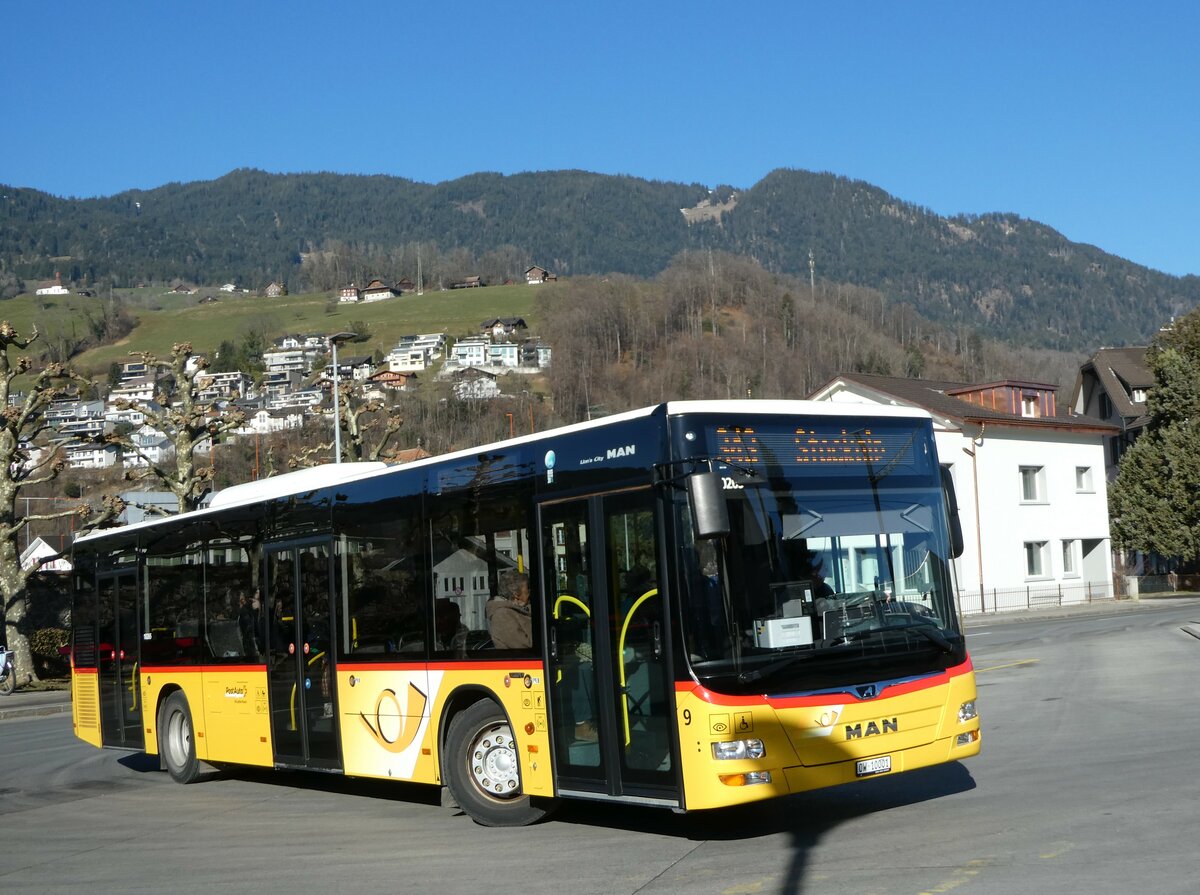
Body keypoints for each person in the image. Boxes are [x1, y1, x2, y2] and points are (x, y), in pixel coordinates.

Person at [487, 573, 533, 650]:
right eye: (527, 588)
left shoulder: (519, 609)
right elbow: (523, 646)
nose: (530, 591)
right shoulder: (502, 615)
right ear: (516, 594)